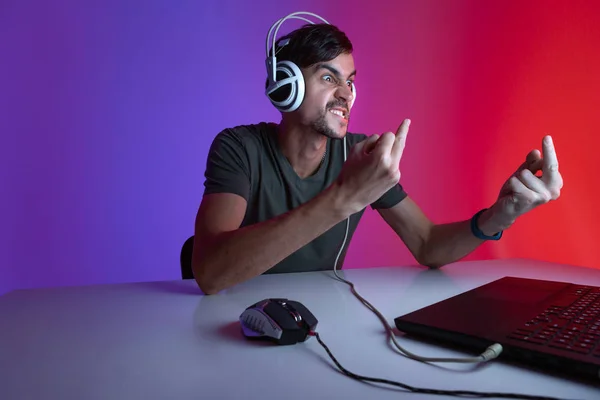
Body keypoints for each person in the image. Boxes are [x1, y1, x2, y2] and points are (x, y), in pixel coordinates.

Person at [191, 14, 563, 295]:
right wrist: (344, 198)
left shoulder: (361, 155)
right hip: (238, 321)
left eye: (350, 81)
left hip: (316, 321)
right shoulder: (240, 147)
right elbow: (208, 272)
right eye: (328, 77)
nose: (345, 94)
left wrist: (499, 216)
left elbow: (427, 244)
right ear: (285, 84)